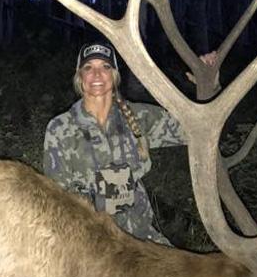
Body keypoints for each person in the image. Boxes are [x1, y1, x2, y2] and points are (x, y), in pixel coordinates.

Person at [43, 42, 217, 245]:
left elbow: (198, 131)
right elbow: (55, 200)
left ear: (115, 76)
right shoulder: (60, 129)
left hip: (141, 239)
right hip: (89, 243)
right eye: (88, 68)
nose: (97, 74)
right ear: (80, 77)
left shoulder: (138, 117)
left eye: (105, 67)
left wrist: (208, 86)